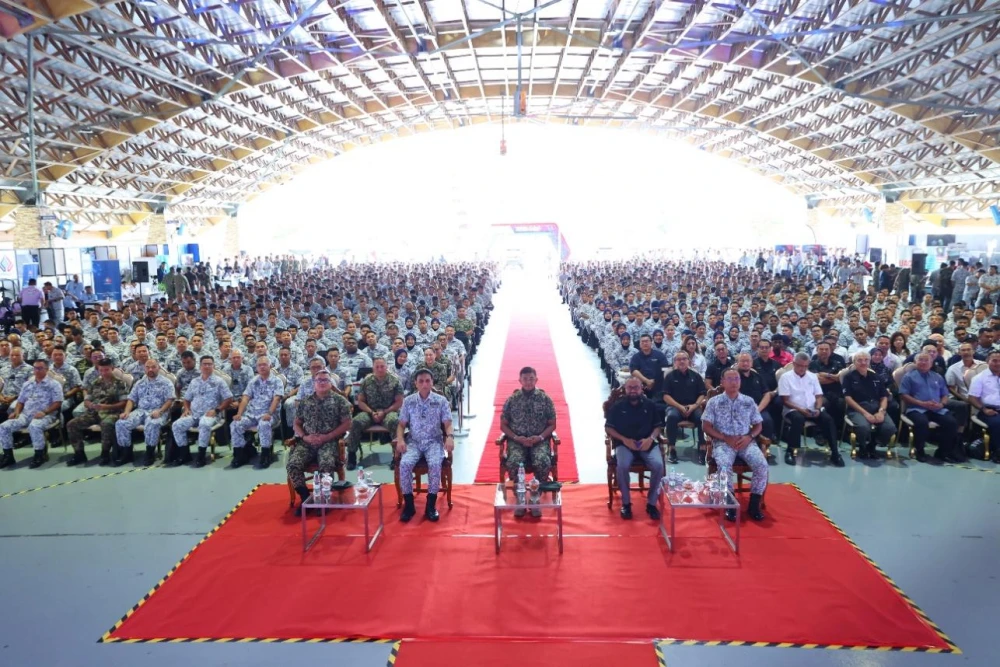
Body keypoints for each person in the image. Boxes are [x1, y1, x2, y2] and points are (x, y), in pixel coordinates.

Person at [702, 368, 767, 521]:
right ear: (722, 382)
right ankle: (730, 504)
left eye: (736, 379)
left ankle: (754, 504)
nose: (734, 382)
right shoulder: (714, 402)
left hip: (746, 442)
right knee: (724, 466)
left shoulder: (748, 401)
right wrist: (724, 437)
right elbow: (706, 426)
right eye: (730, 379)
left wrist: (749, 436)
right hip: (723, 443)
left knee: (761, 465)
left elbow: (758, 425)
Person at [287, 370, 354, 516]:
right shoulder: (306, 401)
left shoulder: (340, 401)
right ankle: (306, 499)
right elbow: (296, 424)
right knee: (293, 465)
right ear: (314, 383)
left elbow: (347, 423)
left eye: (325, 380)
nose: (322, 383)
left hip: (329, 442)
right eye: (319, 380)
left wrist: (328, 436)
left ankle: (324, 499)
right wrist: (304, 437)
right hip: (307, 442)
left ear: (331, 384)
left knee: (327, 464)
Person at [396, 368, 454, 523]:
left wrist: (449, 437)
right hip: (414, 441)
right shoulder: (408, 401)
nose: (424, 384)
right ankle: (409, 505)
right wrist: (400, 440)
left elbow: (448, 423)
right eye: (421, 381)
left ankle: (430, 505)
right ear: (415, 383)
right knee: (405, 464)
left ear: (432, 382)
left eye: (428, 381)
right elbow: (401, 424)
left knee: (435, 464)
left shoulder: (440, 401)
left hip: (433, 441)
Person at [500, 366, 557, 518]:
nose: (528, 382)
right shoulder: (512, 400)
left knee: (543, 461)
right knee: (514, 461)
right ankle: (520, 498)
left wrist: (540, 438)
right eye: (525, 379)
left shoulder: (545, 399)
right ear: (520, 380)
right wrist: (515, 437)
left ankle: (534, 496)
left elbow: (552, 423)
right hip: (517, 441)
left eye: (531, 378)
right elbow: (503, 424)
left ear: (536, 379)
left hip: (538, 440)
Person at [604, 377, 663, 520]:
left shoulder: (650, 405)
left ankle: (651, 503)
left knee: (658, 465)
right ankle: (626, 504)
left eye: (636, 387)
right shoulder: (617, 406)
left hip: (647, 443)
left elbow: (658, 426)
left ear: (641, 389)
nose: (633, 391)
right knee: (622, 466)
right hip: (625, 444)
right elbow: (608, 428)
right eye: (630, 388)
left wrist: (651, 439)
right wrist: (624, 439)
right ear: (625, 389)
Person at [778, 352, 843, 466]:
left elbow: (818, 396)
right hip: (793, 409)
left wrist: (818, 408)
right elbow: (785, 401)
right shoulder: (785, 377)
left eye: (805, 366)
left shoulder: (812, 376)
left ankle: (835, 452)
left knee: (828, 419)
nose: (803, 368)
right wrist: (802, 410)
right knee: (798, 419)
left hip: (812, 409)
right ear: (794, 364)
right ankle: (791, 450)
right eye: (800, 366)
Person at [899, 352, 963, 463]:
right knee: (922, 422)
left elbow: (944, 394)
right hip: (916, 409)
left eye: (926, 360)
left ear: (931, 363)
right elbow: (903, 395)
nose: (923, 362)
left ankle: (943, 452)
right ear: (915, 362)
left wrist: (942, 404)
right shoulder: (908, 377)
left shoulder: (937, 376)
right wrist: (921, 403)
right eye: (920, 360)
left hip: (937, 409)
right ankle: (920, 451)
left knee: (951, 422)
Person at [170, 355, 234, 467]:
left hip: (211, 414)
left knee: (204, 424)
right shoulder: (194, 382)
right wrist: (187, 409)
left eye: (209, 364)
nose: (207, 366)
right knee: (177, 425)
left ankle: (201, 455)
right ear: (200, 366)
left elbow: (229, 399)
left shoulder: (219, 382)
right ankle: (184, 454)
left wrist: (217, 410)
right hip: (194, 414)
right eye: (204, 364)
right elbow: (187, 399)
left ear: (213, 366)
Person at [0, 358, 64, 469]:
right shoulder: (27, 384)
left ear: (47, 369)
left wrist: (44, 412)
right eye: (35, 368)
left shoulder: (54, 384)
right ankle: (8, 456)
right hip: (26, 415)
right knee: (4, 426)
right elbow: (20, 401)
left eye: (40, 368)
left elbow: (57, 402)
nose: (37, 370)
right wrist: (16, 412)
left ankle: (40, 455)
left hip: (47, 415)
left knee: (34, 426)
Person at [65, 359, 128, 466]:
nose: (104, 372)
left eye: (106, 370)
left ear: (112, 369)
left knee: (106, 424)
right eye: (101, 370)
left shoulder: (120, 383)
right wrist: (89, 404)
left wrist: (106, 406)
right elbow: (87, 399)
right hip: (95, 412)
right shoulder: (95, 383)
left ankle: (105, 453)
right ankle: (79, 453)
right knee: (72, 424)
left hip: (112, 412)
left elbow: (124, 403)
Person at [116, 359, 176, 466]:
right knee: (121, 423)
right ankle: (126, 453)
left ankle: (150, 452)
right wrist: (126, 412)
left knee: (152, 424)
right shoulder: (140, 383)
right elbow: (131, 399)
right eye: (148, 367)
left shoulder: (166, 382)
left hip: (159, 411)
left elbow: (170, 400)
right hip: (141, 411)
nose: (150, 369)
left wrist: (160, 411)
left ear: (158, 368)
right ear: (144, 368)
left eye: (153, 367)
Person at [349, 357, 403, 470]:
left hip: (388, 411)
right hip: (370, 412)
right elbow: (361, 401)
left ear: (386, 366)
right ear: (373, 368)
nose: (379, 369)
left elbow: (399, 402)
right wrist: (371, 412)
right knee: (356, 422)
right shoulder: (366, 381)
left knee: (395, 422)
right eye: (377, 367)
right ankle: (352, 455)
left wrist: (384, 412)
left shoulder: (395, 381)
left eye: (382, 366)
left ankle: (396, 456)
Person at [230, 358, 285, 469]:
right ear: (256, 367)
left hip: (269, 414)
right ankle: (240, 454)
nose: (262, 367)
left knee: (264, 424)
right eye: (259, 365)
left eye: (264, 364)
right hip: (251, 414)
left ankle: (266, 454)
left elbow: (277, 399)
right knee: (235, 424)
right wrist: (239, 413)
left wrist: (269, 413)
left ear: (270, 366)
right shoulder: (253, 381)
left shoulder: (276, 381)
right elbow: (245, 398)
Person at [842, 351, 897, 459]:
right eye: (860, 360)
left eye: (866, 360)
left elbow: (884, 397)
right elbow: (848, 399)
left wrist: (881, 411)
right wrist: (866, 414)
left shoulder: (876, 377)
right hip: (857, 409)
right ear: (854, 362)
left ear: (869, 361)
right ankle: (862, 447)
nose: (863, 363)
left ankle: (872, 446)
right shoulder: (849, 377)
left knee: (890, 428)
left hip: (877, 408)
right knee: (863, 427)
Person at [662, 351, 708, 465]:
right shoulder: (670, 376)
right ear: (675, 362)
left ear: (689, 361)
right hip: (675, 406)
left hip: (692, 407)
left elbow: (702, 393)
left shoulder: (695, 376)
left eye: (684, 359)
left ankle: (702, 448)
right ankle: (672, 449)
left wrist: (694, 406)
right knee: (672, 417)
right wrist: (680, 407)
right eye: (679, 359)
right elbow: (665, 396)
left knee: (702, 418)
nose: (682, 361)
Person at [967, 350, 1000, 463]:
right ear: (988, 361)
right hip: (987, 410)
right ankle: (997, 452)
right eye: (994, 361)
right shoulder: (980, 378)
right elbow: (972, 398)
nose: (998, 363)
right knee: (997, 423)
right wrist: (984, 409)